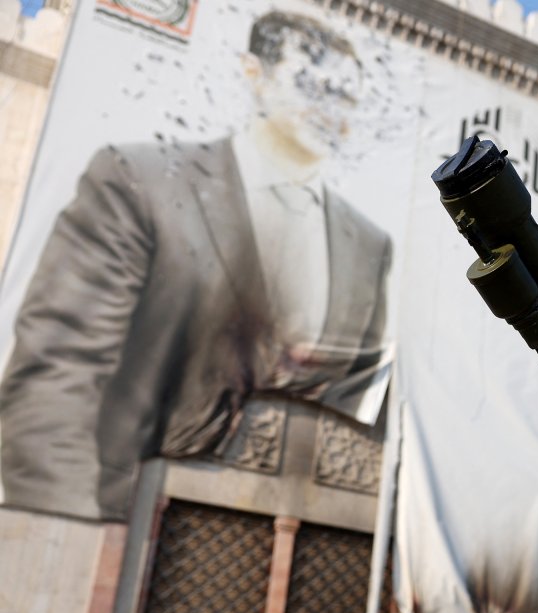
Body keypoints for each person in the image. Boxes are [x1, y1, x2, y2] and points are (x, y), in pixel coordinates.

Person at [0, 10, 392, 520]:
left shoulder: (367, 244)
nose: (327, 108)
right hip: (124, 511)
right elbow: (56, 376)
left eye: (342, 94)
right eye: (309, 83)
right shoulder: (141, 183)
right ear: (256, 74)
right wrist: (72, 530)